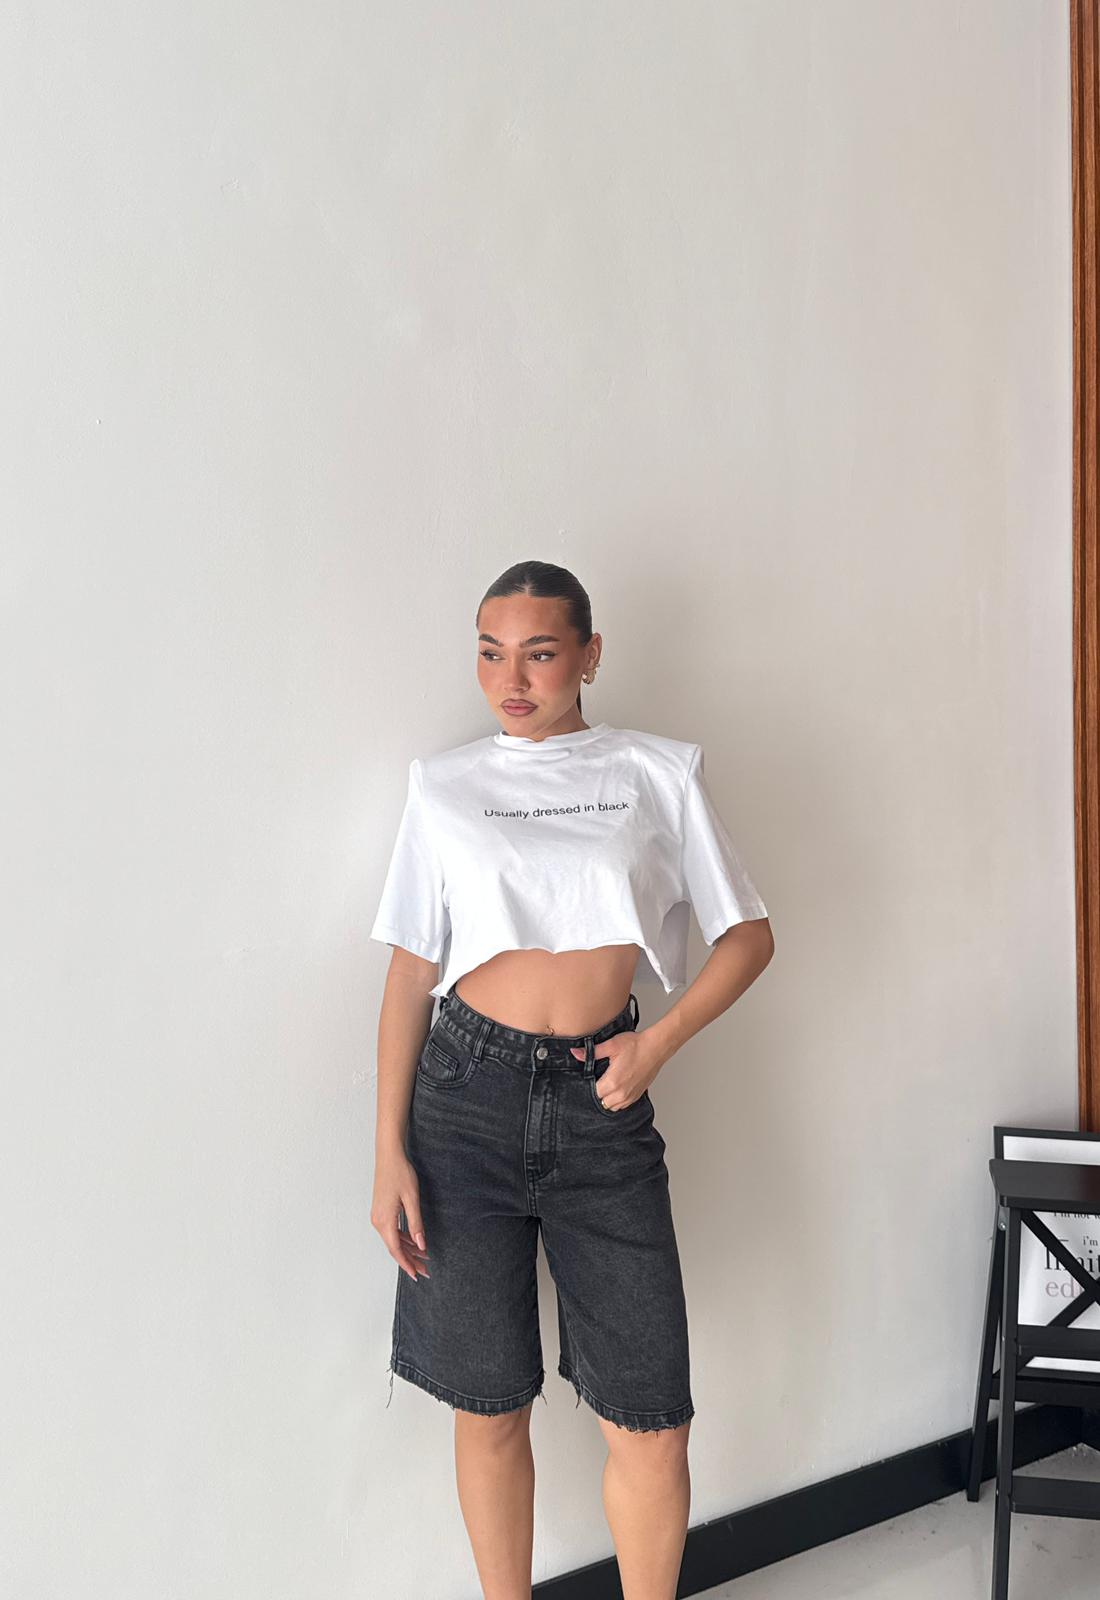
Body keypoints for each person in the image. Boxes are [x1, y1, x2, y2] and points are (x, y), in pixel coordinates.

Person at [370, 559, 774, 1598]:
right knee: (488, 1404)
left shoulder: (654, 773)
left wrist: (657, 1042)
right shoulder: (443, 786)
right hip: (463, 1103)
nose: (511, 679)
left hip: (603, 1105)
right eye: (490, 653)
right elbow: (411, 970)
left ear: (590, 656)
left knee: (652, 1419)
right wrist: (387, 1153)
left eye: (539, 653)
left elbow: (747, 936)